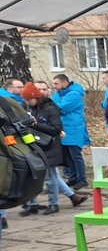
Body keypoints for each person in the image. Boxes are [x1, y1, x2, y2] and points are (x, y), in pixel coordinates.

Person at [20, 82, 88, 214]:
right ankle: (32, 204)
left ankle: (53, 204)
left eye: (29, 99)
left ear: (36, 97)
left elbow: (56, 129)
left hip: (49, 147)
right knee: (33, 176)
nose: (27, 102)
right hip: (35, 146)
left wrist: (35, 125)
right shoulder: (29, 108)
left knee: (50, 177)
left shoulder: (49, 107)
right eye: (25, 100)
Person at [51, 73, 90, 190]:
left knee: (75, 155)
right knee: (67, 155)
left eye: (56, 83)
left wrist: (52, 106)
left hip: (73, 128)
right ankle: (72, 178)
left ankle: (82, 179)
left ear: (64, 83)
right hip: (63, 128)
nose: (54, 86)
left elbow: (61, 108)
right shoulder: (58, 94)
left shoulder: (74, 94)